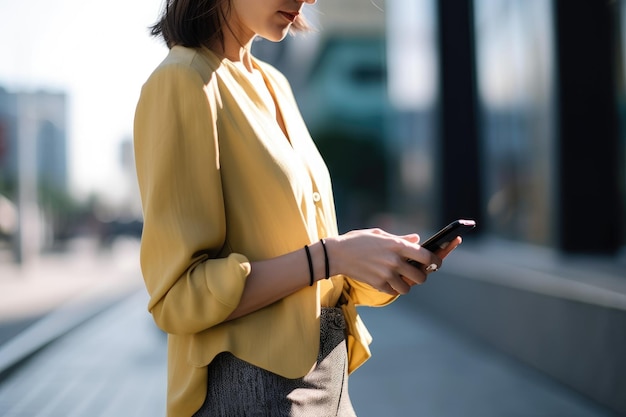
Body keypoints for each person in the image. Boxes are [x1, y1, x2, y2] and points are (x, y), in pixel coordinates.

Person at [133, 0, 462, 416]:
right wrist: (333, 255)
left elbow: (306, 268)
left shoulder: (274, 84)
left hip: (329, 379)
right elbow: (178, 296)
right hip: (251, 392)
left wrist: (372, 263)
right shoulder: (183, 82)